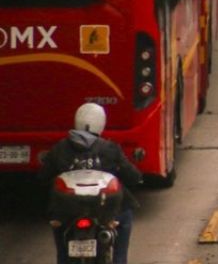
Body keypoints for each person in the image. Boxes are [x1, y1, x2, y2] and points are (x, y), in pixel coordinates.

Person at [40, 103, 143, 264]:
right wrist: (137, 177)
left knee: (62, 248)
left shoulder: (60, 148)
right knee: (125, 217)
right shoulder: (109, 148)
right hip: (105, 212)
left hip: (67, 213)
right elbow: (132, 176)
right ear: (101, 123)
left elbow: (43, 177)